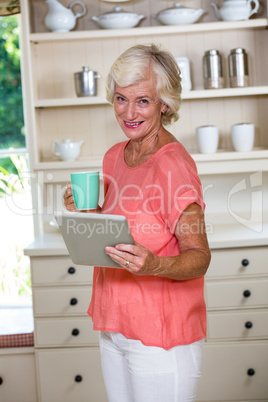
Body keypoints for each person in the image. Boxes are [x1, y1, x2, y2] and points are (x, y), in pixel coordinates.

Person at [64, 43, 211, 402]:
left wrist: (156, 264)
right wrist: (88, 217)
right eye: (120, 98)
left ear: (165, 103)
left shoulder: (173, 165)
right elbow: (125, 233)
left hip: (159, 335)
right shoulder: (117, 155)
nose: (129, 112)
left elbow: (200, 256)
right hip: (116, 325)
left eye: (142, 100)